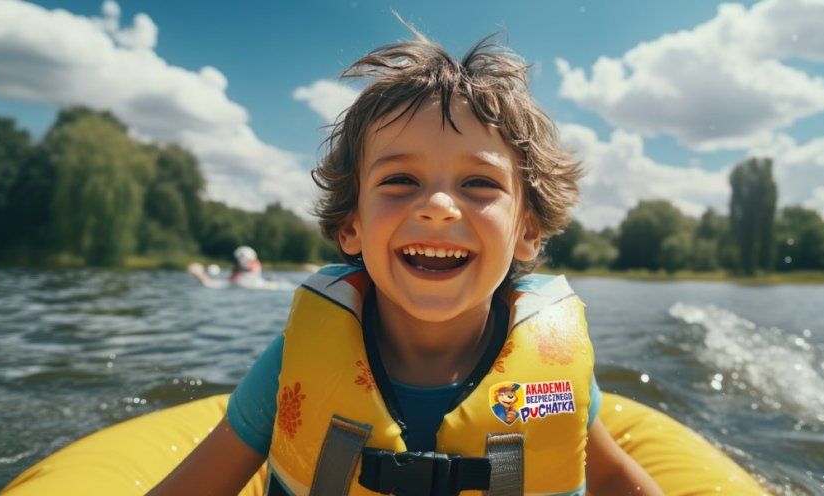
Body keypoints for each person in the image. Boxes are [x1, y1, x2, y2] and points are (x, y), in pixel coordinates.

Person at [152, 26, 663, 496]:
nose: (438, 208)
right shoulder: (291, 365)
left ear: (527, 231)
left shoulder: (554, 376)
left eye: (479, 184)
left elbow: (615, 476)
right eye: (400, 181)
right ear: (352, 225)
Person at [188, 246, 287, 290]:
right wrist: (198, 274)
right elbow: (209, 283)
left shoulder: (261, 283)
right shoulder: (233, 284)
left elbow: (209, 283)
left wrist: (198, 274)